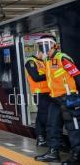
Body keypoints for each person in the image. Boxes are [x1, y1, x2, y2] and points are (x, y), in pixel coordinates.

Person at [34, 35, 80, 164]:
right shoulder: (48, 60)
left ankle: (77, 156)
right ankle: (53, 152)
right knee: (52, 126)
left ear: (51, 45)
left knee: (73, 127)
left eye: (43, 46)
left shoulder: (62, 58)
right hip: (55, 99)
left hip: (68, 97)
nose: (41, 49)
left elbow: (77, 75)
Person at [25, 51, 51, 147]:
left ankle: (41, 138)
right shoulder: (31, 62)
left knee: (42, 115)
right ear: (39, 52)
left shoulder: (43, 62)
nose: (45, 54)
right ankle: (41, 138)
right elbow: (35, 77)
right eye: (43, 52)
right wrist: (50, 74)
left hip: (48, 92)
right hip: (39, 93)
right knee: (43, 116)